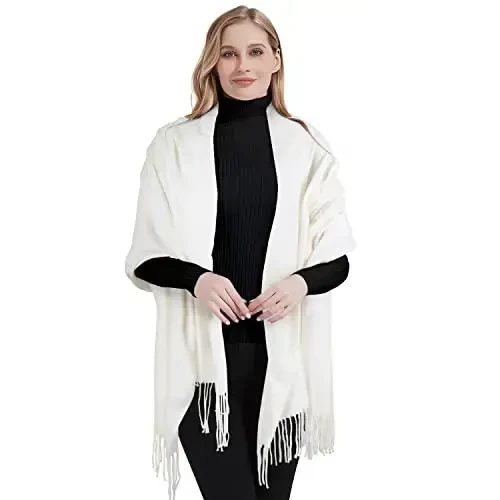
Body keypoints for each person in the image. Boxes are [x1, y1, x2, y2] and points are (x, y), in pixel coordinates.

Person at [126, 5, 354, 500]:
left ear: (276, 59)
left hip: (282, 367)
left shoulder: (307, 147)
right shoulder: (173, 146)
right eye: (228, 54)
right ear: (212, 61)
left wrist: (299, 284)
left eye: (255, 51)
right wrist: (198, 280)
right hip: (202, 371)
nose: (242, 65)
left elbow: (338, 257)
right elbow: (145, 255)